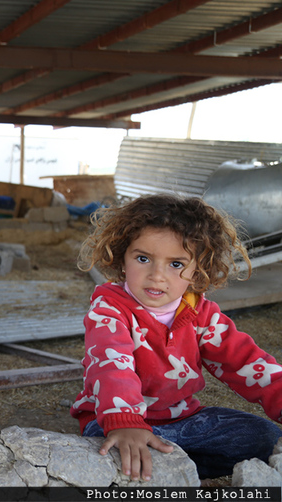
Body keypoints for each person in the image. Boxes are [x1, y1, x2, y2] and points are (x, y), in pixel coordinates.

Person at [71, 194, 282, 480]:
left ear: (198, 269)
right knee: (112, 450)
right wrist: (125, 421)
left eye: (176, 264)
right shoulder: (109, 310)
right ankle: (167, 466)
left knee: (266, 437)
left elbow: (246, 362)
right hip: (115, 420)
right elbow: (111, 366)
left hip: (184, 420)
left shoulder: (202, 314)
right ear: (122, 259)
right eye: (143, 258)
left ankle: (174, 465)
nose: (157, 275)